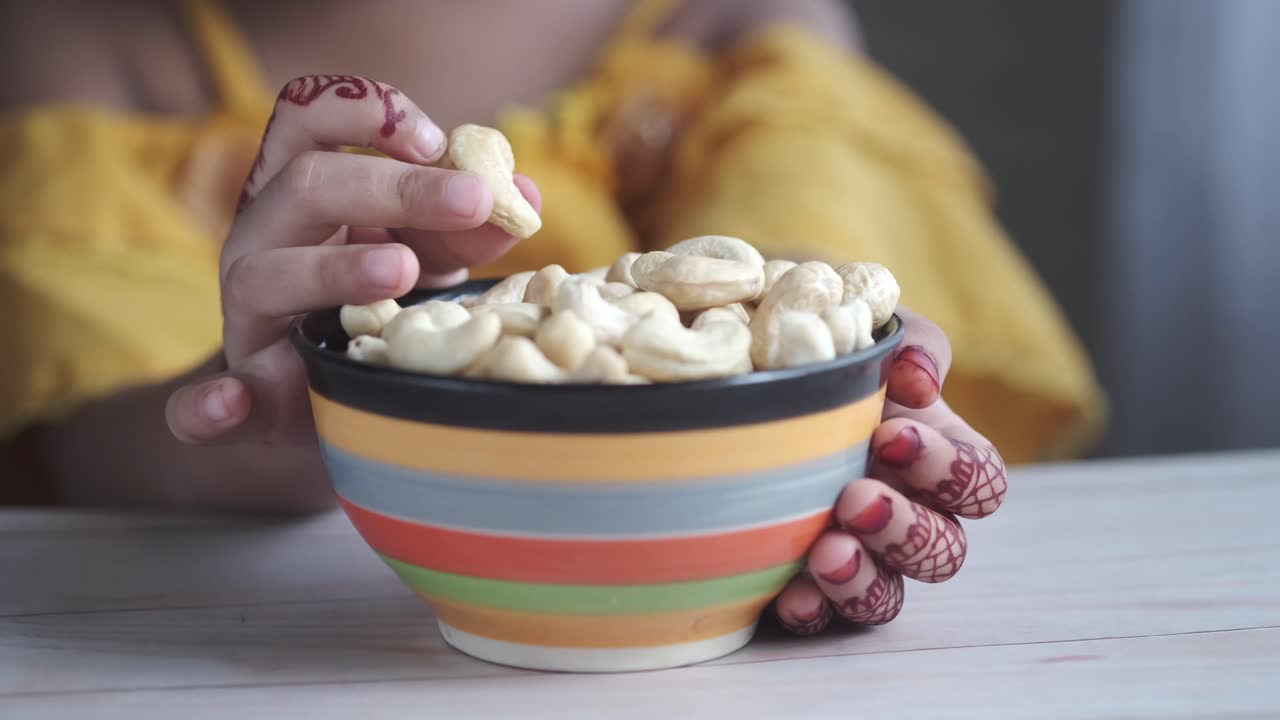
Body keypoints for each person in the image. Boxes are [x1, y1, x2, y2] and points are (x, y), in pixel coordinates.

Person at [0, 0, 1105, 634]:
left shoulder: (735, 18)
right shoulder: (79, 37)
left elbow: (804, 276)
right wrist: (309, 399)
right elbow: (91, 441)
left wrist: (850, 428)